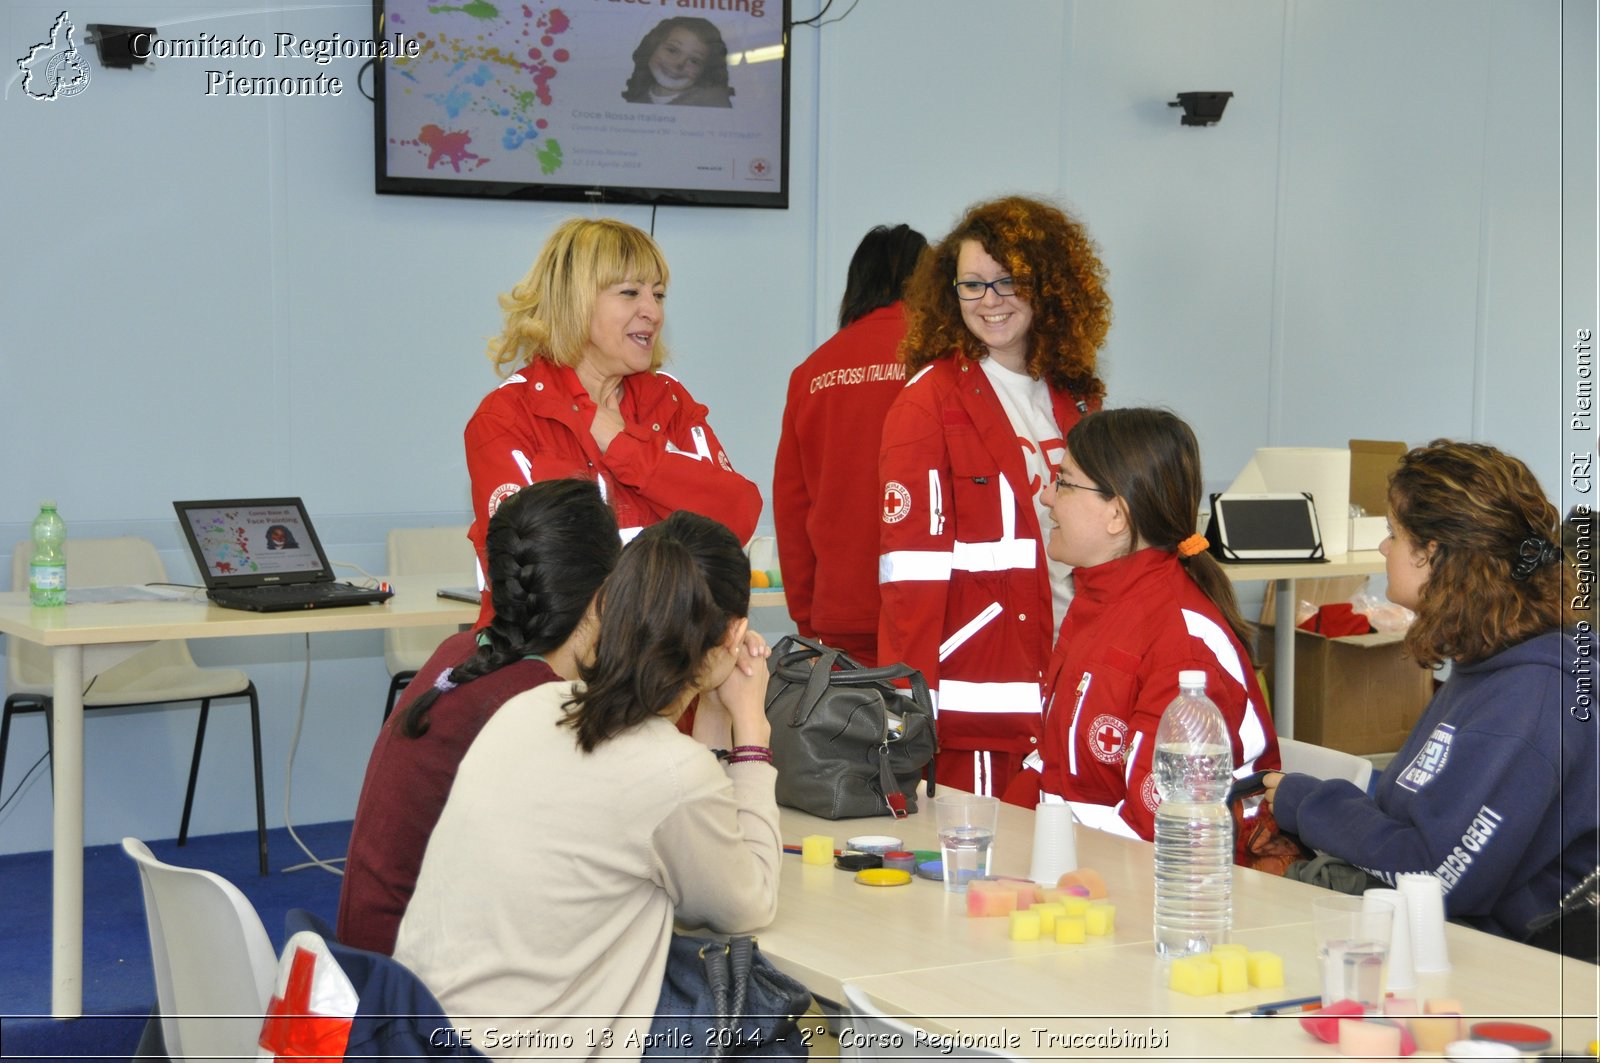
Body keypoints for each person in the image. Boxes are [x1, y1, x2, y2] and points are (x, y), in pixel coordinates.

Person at [393, 511, 779, 1061]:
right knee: (765, 1030)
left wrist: (713, 717)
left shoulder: (528, 707)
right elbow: (747, 904)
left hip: (422, 1036)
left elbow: (686, 820)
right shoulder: (666, 770)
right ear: (736, 634)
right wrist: (753, 736)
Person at [1264, 440, 1596, 944]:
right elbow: (1419, 816)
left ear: (1434, 554)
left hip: (1509, 967)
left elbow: (1437, 879)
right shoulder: (1489, 658)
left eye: (1393, 534)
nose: (1383, 549)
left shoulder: (1532, 701)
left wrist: (1310, 805)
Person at [877, 195, 1112, 796]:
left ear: (1049, 287)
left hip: (1070, 682)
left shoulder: (1077, 398)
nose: (990, 301)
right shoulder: (927, 404)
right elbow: (910, 577)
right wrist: (904, 709)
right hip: (980, 703)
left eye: (1009, 281)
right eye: (972, 285)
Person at [337, 479, 620, 955]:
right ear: (607, 597)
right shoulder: (542, 705)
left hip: (372, 964)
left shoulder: (462, 651)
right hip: (425, 994)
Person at [464, 217, 761, 627]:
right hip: (552, 671)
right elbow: (534, 573)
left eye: (658, 295)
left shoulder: (669, 400)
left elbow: (737, 517)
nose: (653, 312)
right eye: (630, 293)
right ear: (575, 301)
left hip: (665, 668)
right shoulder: (508, 416)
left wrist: (622, 446)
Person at [1004, 408, 1280, 838]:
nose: (1046, 497)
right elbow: (1056, 769)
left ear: (1118, 514)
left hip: (1172, 887)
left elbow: (1160, 831)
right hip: (1082, 864)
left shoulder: (1182, 647)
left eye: (1064, 482)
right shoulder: (1102, 599)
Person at [773, 223, 927, 665]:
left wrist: (808, 616)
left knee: (855, 734)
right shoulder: (939, 361)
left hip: (840, 614)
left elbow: (792, 504)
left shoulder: (813, 372)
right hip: (928, 607)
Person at [621, 17, 733, 107]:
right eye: (672, 50)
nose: (678, 64)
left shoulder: (713, 102)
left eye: (694, 61)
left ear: (705, 70)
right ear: (652, 48)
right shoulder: (636, 98)